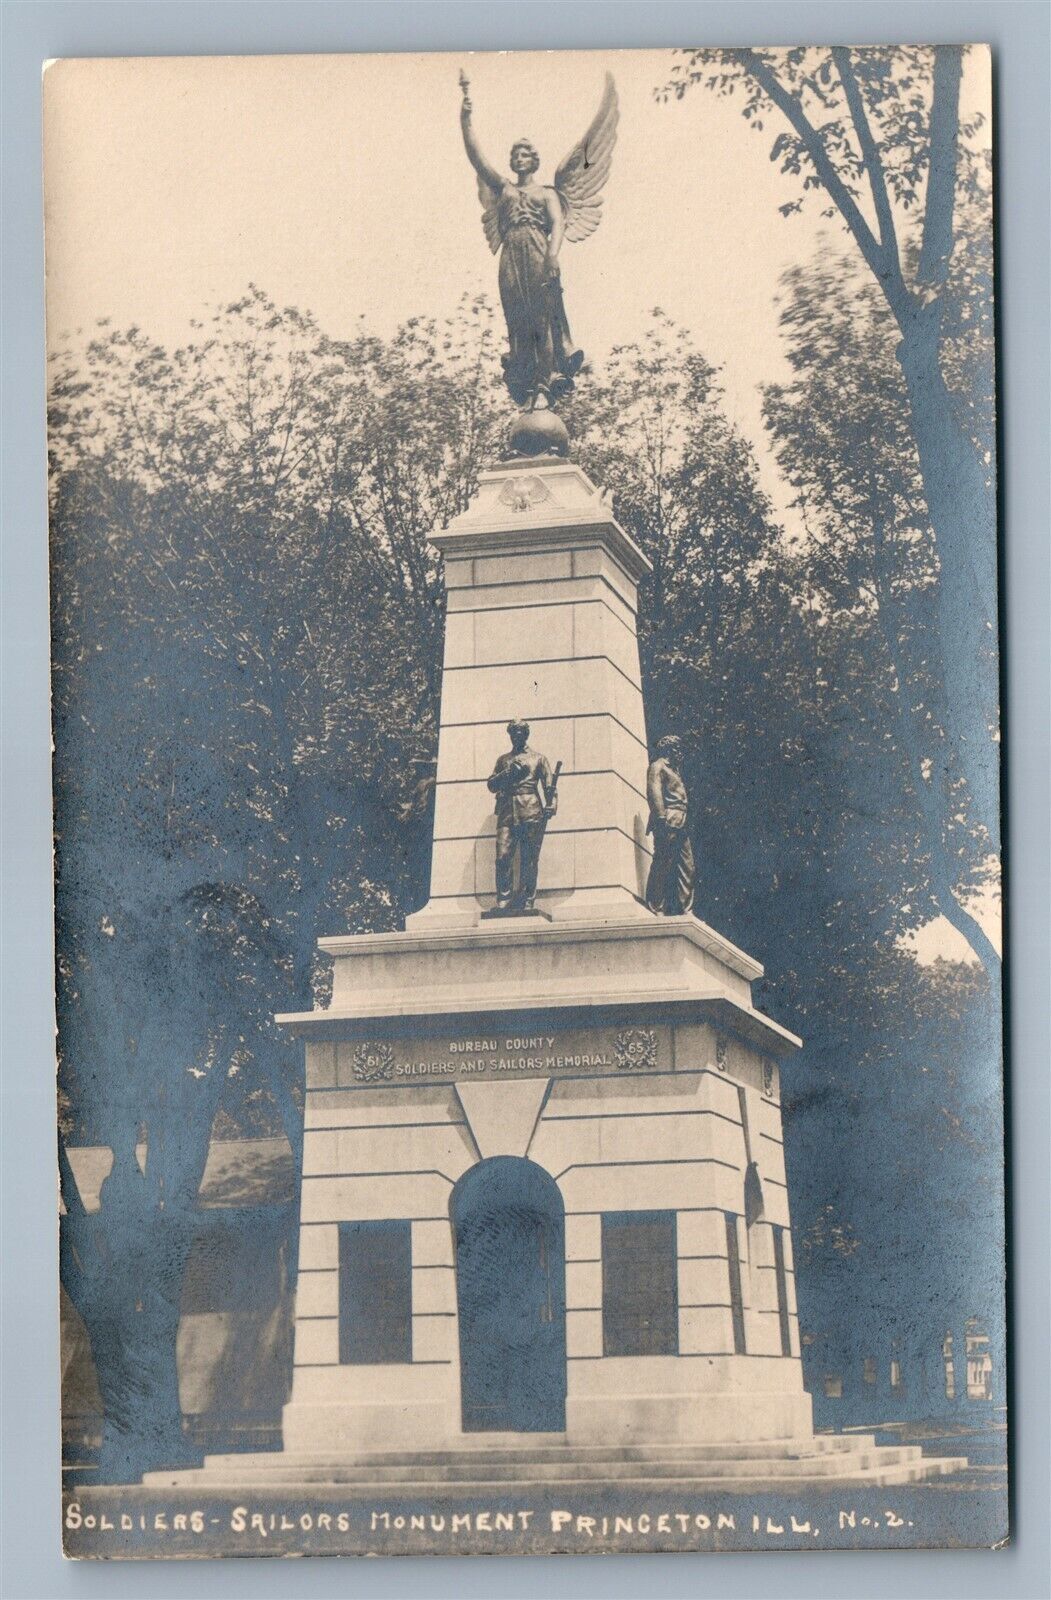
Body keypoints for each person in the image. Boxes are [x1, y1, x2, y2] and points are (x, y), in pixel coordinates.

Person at [486, 719, 557, 913]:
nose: (515, 737)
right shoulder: (503, 760)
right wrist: (507, 773)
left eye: (519, 734)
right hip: (507, 811)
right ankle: (504, 899)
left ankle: (527, 899)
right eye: (512, 734)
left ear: (525, 735)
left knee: (529, 858)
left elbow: (550, 786)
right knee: (502, 857)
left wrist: (552, 805)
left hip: (531, 810)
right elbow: (491, 785)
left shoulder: (538, 758)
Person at [645, 735, 695, 916]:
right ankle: (656, 906)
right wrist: (661, 820)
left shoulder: (675, 769)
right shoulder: (658, 766)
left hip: (681, 821)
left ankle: (686, 908)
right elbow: (654, 793)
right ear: (669, 749)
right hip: (668, 820)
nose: (680, 752)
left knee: (687, 866)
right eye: (677, 749)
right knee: (663, 863)